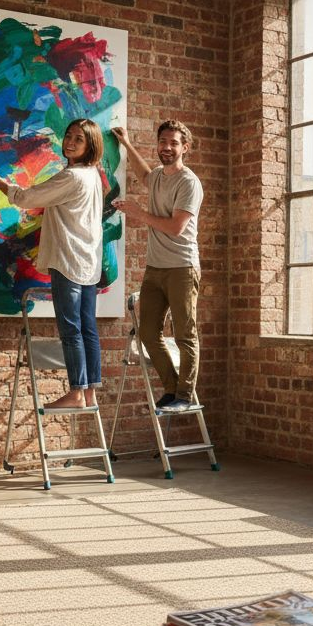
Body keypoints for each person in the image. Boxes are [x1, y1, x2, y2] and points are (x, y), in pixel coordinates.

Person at [0, 118, 105, 409]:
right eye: (68, 135)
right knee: (87, 328)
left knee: (71, 329)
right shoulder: (93, 174)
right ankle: (89, 393)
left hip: (68, 260)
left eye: (78, 139)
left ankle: (75, 393)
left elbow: (26, 197)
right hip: (87, 263)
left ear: (91, 145)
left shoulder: (71, 177)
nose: (69, 142)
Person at [111, 120, 204, 412]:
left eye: (173, 143)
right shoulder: (159, 178)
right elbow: (144, 173)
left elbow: (176, 227)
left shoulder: (188, 182)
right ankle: (172, 388)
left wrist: (139, 213)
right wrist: (126, 143)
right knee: (148, 334)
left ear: (184, 147)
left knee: (184, 334)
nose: (166, 147)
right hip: (154, 269)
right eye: (162, 141)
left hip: (182, 268)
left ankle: (185, 395)